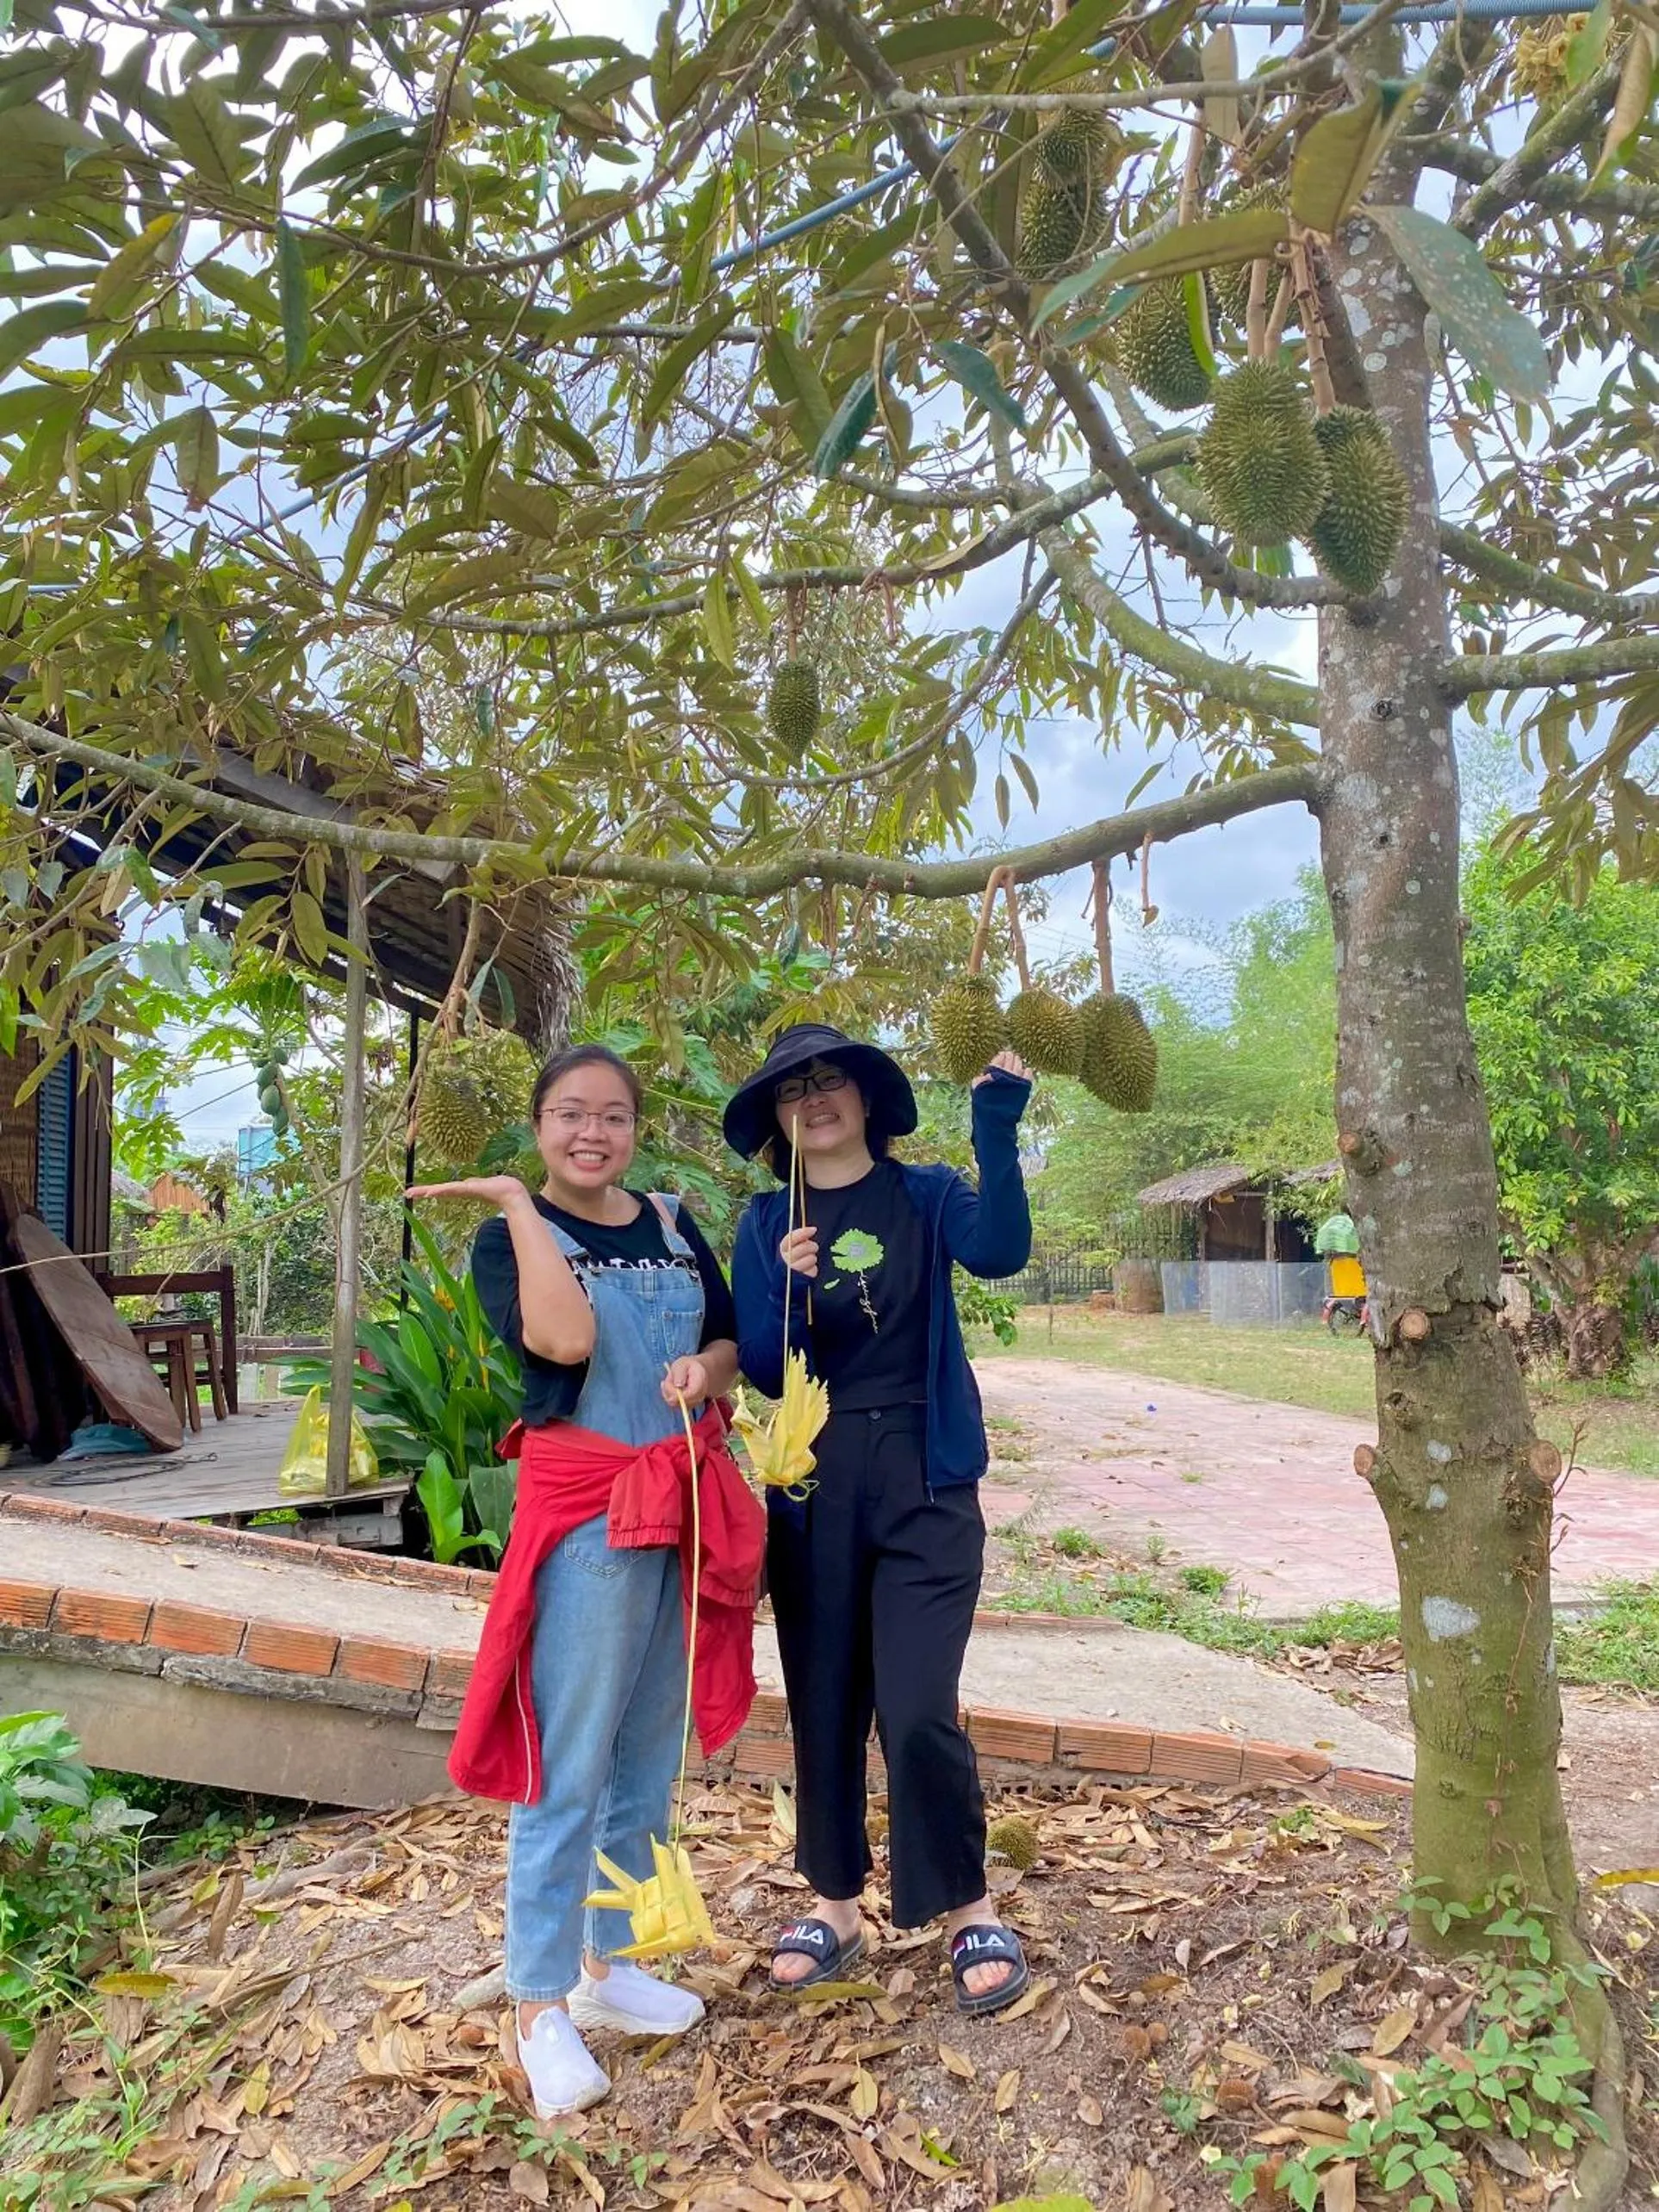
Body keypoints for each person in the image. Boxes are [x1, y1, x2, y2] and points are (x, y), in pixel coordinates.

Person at [409, 1044, 765, 2118]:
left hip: (679, 1499)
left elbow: (728, 1339)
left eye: (612, 1115)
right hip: (585, 1513)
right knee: (570, 1758)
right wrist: (521, 1203)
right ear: (539, 1123)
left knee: (647, 1749)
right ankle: (538, 2001)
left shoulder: (667, 1219)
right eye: (569, 1115)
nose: (591, 1134)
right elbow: (560, 1337)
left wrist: (706, 1372)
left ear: (636, 1128)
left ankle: (613, 1966)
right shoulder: (505, 1236)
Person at [724, 1021, 1036, 2017]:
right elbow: (767, 1371)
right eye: (793, 1089)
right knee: (822, 1700)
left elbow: (1001, 1252)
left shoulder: (926, 1194)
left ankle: (965, 1904)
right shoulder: (767, 1220)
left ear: (865, 1099)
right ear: (779, 1119)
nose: (813, 1100)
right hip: (814, 1480)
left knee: (915, 1703)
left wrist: (995, 1122)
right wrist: (784, 1278)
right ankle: (836, 1901)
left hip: (925, 1475)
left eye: (831, 1083)